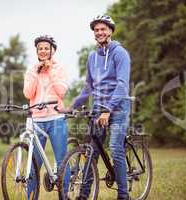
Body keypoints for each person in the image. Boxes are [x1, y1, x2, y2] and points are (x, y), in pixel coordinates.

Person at [70, 15, 131, 200]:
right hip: (98, 107)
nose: (100, 32)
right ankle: (84, 195)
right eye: (96, 30)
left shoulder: (120, 53)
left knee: (115, 148)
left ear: (111, 31)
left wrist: (108, 109)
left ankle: (123, 195)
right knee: (91, 152)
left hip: (118, 108)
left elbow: (122, 85)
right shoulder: (92, 57)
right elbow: (89, 86)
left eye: (103, 29)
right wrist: (72, 107)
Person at [23, 35, 70, 200]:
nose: (43, 51)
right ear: (37, 51)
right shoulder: (31, 69)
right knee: (34, 164)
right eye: (40, 48)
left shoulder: (59, 68)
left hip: (56, 118)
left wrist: (49, 71)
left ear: (52, 51)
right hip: (37, 121)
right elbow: (28, 93)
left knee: (62, 160)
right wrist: (37, 72)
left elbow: (62, 92)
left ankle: (64, 195)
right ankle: (31, 197)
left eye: (46, 48)